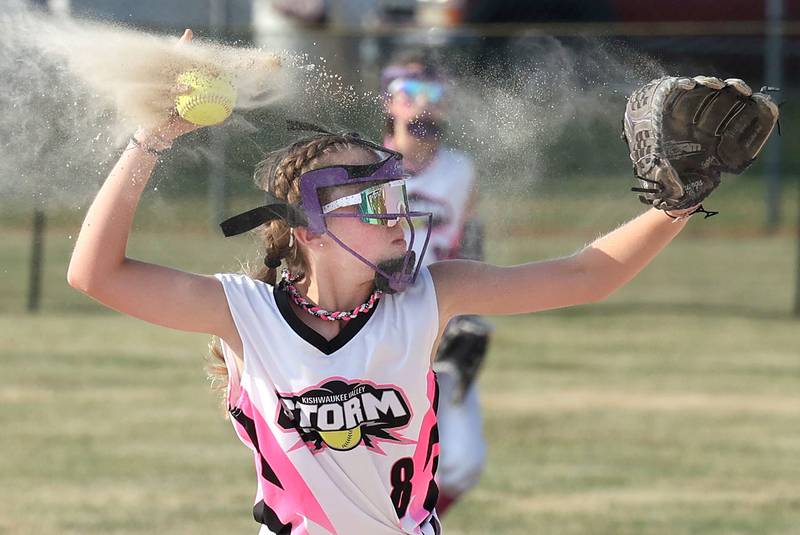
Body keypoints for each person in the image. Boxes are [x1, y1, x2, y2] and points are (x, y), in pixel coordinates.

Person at [68, 29, 704, 535]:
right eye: (372, 205)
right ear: (310, 230)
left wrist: (677, 203)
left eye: (396, 198)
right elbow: (95, 274)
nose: (397, 215)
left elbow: (587, 275)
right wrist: (153, 137)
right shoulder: (245, 314)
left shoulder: (431, 296)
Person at [381, 51, 490, 515]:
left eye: (434, 95)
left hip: (441, 314)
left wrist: (471, 317)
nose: (422, 106)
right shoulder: (368, 164)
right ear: (390, 102)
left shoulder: (460, 170)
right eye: (409, 94)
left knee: (462, 460)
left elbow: (468, 243)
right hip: (381, 321)